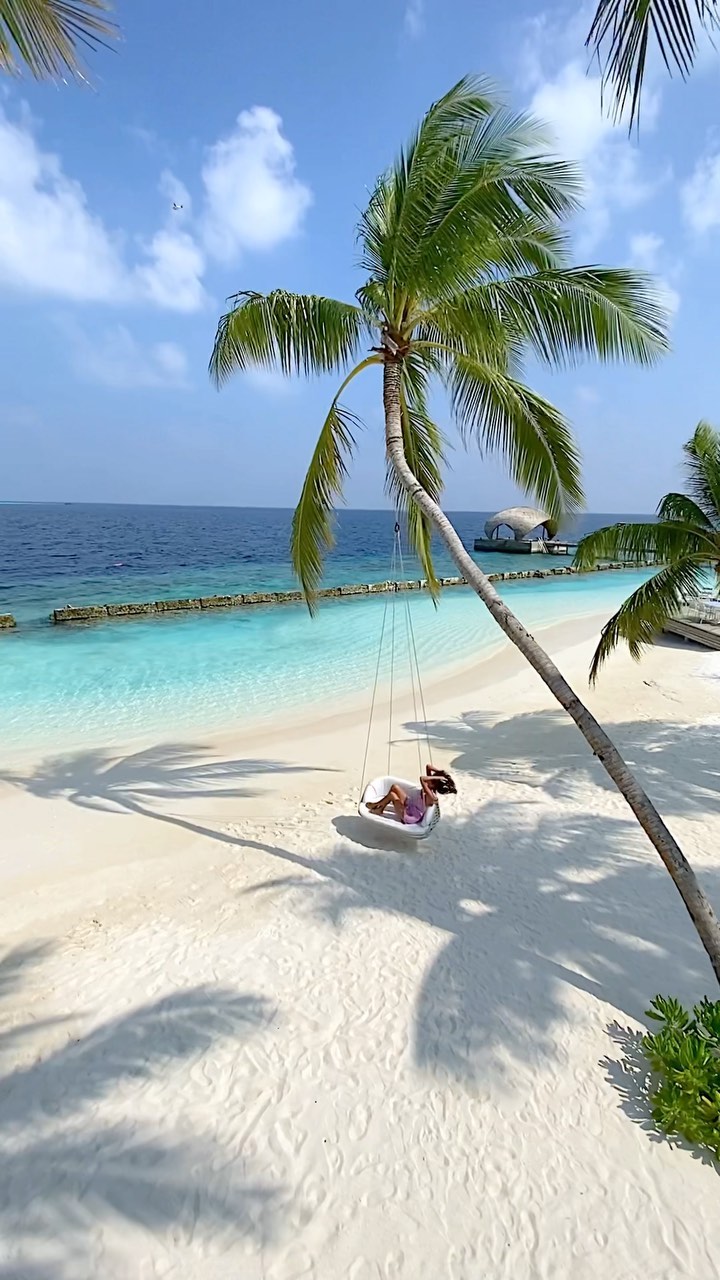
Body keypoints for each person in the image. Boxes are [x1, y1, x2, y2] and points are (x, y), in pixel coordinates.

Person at [367, 764, 457, 825]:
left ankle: (376, 806)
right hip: (410, 805)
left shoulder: (432, 797)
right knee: (395, 787)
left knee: (392, 795)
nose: (428, 779)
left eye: (431, 780)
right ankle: (380, 809)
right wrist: (442, 775)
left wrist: (438, 777)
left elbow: (422, 779)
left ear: (434, 784)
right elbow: (428, 766)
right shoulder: (430, 787)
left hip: (409, 816)